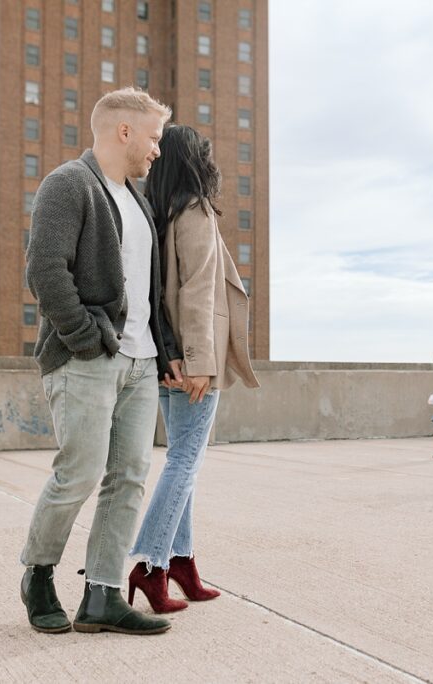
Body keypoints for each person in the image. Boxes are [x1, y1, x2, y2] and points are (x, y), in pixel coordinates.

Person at [19, 87, 181, 636]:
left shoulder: (137, 201)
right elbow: (45, 270)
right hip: (88, 358)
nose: (158, 150)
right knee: (80, 473)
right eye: (154, 137)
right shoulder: (69, 184)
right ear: (125, 131)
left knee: (129, 477)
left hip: (140, 361)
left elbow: (147, 291)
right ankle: (38, 576)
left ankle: (103, 596)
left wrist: (162, 352)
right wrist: (88, 338)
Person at [127, 125, 260, 613]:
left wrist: (169, 356)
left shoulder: (153, 213)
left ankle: (181, 561)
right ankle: (150, 565)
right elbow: (199, 291)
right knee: (184, 461)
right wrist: (202, 362)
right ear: (195, 162)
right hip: (192, 361)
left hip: (165, 357)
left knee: (183, 461)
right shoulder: (195, 210)